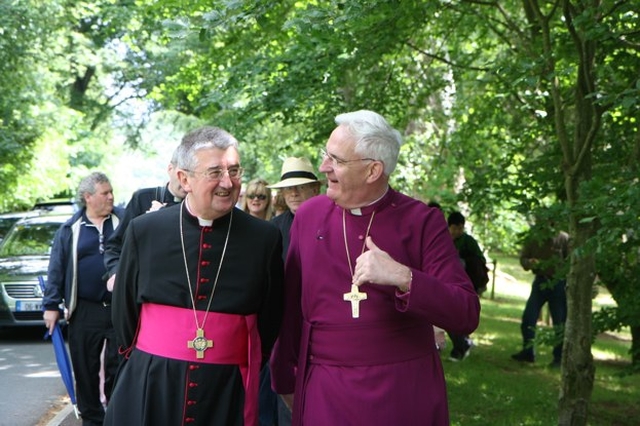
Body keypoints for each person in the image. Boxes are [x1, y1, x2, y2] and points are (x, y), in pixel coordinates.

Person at [270, 110, 480, 425]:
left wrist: (404, 277)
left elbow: (465, 313)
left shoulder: (422, 222)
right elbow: (290, 311)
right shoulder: (309, 216)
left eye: (336, 160)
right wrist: (284, 379)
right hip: (326, 392)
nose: (324, 167)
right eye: (326, 156)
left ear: (373, 170)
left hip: (404, 392)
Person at [104, 126, 285, 426]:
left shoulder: (264, 237)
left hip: (227, 386)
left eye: (235, 171)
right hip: (153, 380)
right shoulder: (145, 230)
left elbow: (270, 316)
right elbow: (124, 313)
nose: (228, 183)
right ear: (184, 179)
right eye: (215, 172)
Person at [43, 172, 125, 426]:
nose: (111, 197)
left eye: (112, 191)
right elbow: (57, 267)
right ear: (88, 197)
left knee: (119, 366)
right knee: (85, 370)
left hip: (118, 309)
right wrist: (51, 305)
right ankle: (92, 420)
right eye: (105, 193)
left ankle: (116, 414)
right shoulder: (70, 229)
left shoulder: (123, 222)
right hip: (84, 310)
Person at [259, 157, 322, 426]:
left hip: (323, 322)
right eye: (289, 188)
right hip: (284, 326)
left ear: (315, 189)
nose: (294, 193)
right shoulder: (272, 230)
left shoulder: (332, 221)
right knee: (284, 398)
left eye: (301, 186)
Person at [103, 147, 186, 291]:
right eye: (181, 174)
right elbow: (115, 246)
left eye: (191, 176)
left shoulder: (200, 205)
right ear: (170, 169)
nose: (185, 182)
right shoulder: (142, 198)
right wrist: (116, 273)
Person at [511, 224, 569, 368]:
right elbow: (524, 258)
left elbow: (571, 262)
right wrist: (529, 263)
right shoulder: (534, 238)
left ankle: (559, 358)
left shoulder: (564, 238)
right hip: (540, 282)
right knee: (528, 318)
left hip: (558, 283)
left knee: (559, 322)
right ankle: (528, 351)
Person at [446, 211, 488, 361]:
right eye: (455, 228)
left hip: (465, 285)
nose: (458, 231)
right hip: (446, 283)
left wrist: (462, 260)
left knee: (453, 316)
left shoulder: (468, 241)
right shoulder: (442, 238)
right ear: (449, 226)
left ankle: (462, 345)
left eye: (460, 228)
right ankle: (462, 343)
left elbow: (480, 260)